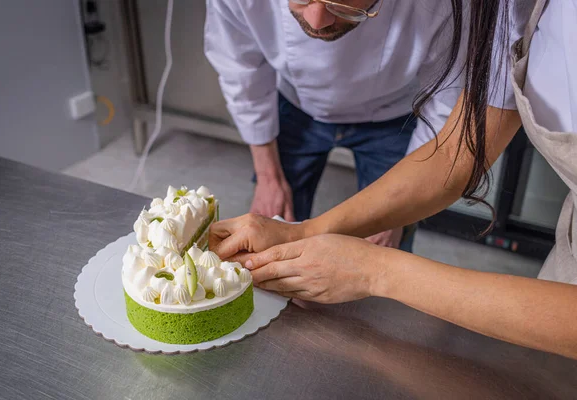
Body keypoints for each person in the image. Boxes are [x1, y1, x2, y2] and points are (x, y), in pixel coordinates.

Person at [209, 0, 577, 360]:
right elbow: (454, 153)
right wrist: (303, 233)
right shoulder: (511, 8)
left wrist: (375, 270)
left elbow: (445, 124)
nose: (318, 20)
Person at [204, 0, 466, 251]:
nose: (316, 22)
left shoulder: (446, 6)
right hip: (296, 103)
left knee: (385, 246)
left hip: (393, 112)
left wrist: (398, 211)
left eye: (341, 1)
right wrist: (267, 176)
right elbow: (240, 69)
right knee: (271, 226)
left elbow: (446, 98)